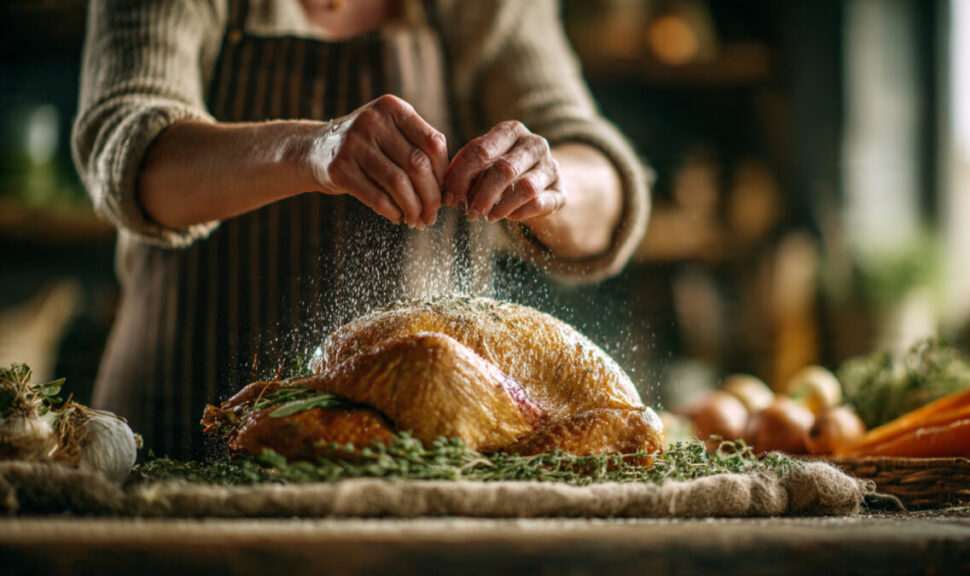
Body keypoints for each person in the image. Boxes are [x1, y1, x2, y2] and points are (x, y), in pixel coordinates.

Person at [73, 0, 650, 457]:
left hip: (417, 452)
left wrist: (549, 184)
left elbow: (604, 182)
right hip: (175, 424)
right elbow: (129, 152)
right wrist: (308, 150)